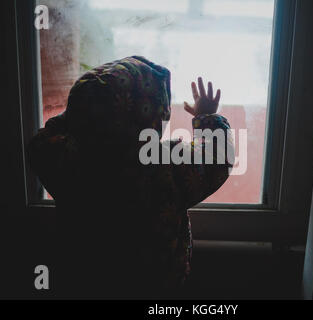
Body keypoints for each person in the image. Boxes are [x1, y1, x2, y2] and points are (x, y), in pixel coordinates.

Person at [28, 56, 234, 298]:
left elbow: (39, 143)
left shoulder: (67, 159)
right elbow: (217, 157)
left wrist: (80, 116)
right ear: (156, 111)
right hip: (156, 285)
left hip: (87, 281)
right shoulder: (164, 164)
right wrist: (207, 117)